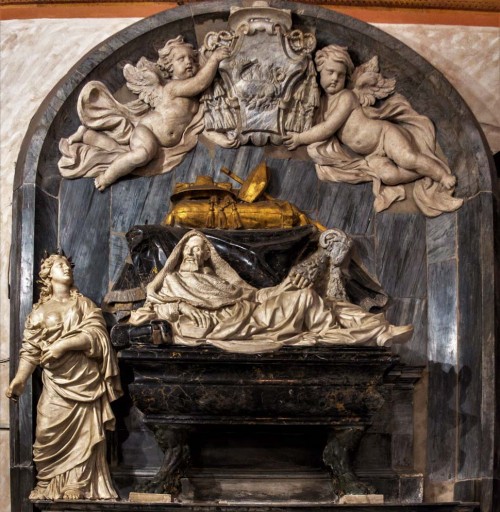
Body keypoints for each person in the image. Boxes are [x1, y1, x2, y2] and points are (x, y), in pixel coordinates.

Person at [129, 230, 412, 353]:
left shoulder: (222, 282)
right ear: (181, 255)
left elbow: (253, 295)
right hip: (235, 326)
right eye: (189, 251)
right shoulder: (172, 281)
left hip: (253, 315)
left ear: (207, 256)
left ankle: (378, 328)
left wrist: (281, 288)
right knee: (308, 300)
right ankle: (360, 335)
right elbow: (152, 309)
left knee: (312, 298)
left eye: (199, 250)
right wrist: (180, 308)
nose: (193, 254)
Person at [6, 253, 122, 500]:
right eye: (59, 265)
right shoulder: (39, 312)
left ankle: (77, 484)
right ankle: (46, 481)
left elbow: (98, 336)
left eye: (67, 265)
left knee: (85, 433)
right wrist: (20, 380)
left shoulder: (85, 305)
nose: (66, 268)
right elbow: (30, 351)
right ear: (47, 275)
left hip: (85, 380)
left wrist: (63, 345)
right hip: (56, 384)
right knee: (46, 432)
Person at [62, 36, 230, 190]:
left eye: (192, 59)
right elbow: (200, 83)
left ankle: (88, 136)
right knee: (141, 155)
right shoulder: (173, 87)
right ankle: (107, 177)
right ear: (170, 67)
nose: (189, 62)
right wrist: (214, 59)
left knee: (120, 152)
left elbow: (204, 120)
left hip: (161, 143)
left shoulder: (198, 99)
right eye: (181, 59)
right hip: (147, 130)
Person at [283, 44, 456, 190]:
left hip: (384, 136)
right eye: (330, 72)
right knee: (389, 177)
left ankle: (441, 174)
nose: (335, 78)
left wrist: (300, 138)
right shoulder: (321, 103)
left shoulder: (346, 97)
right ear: (319, 70)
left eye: (340, 74)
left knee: (407, 158)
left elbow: (328, 128)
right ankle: (423, 172)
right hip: (372, 154)